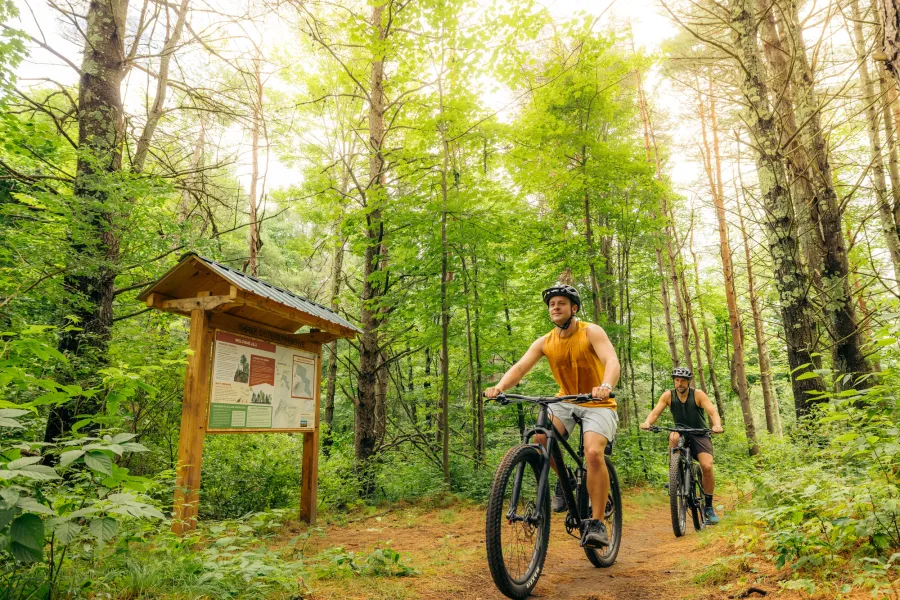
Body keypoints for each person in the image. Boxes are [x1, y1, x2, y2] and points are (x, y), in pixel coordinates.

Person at [485, 283, 621, 548]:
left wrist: (606, 385)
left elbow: (611, 361)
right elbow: (521, 367)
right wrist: (500, 387)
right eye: (551, 304)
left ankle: (596, 522)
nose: (555, 307)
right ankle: (566, 479)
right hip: (566, 399)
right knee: (539, 437)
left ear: (574, 308)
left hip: (598, 402)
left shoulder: (591, 331)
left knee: (593, 453)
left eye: (561, 303)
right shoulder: (545, 341)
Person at [640, 367, 724, 524]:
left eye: (683, 380)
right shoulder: (668, 395)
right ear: (674, 381)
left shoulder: (698, 395)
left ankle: (708, 507)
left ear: (688, 381)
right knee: (672, 436)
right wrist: (647, 422)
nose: (679, 383)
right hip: (680, 431)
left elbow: (712, 412)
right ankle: (675, 475)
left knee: (707, 466)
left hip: (699, 433)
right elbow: (655, 412)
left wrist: (717, 425)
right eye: (677, 380)